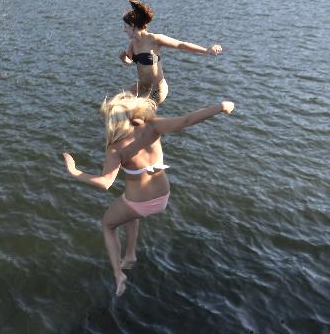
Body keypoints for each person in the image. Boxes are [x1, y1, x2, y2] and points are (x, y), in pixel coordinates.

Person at [62, 91, 235, 296]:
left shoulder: (115, 149)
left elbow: (105, 183)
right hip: (162, 197)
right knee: (127, 207)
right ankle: (131, 254)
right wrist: (221, 107)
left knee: (108, 224)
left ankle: (119, 275)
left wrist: (75, 172)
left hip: (138, 203)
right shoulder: (153, 126)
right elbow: (187, 120)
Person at [119, 0, 223, 104]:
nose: (124, 30)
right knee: (116, 104)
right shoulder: (133, 43)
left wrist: (206, 50)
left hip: (157, 89)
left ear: (133, 26)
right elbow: (128, 62)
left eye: (125, 27)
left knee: (136, 110)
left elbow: (181, 45)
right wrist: (123, 57)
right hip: (142, 87)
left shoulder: (154, 39)